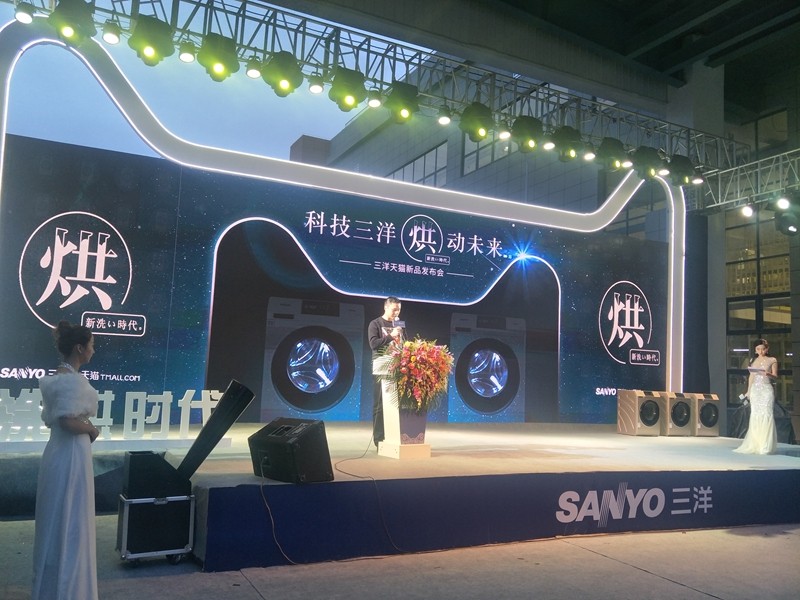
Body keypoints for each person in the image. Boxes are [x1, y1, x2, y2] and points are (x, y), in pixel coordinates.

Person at [32, 321, 100, 600]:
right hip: (70, 455)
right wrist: (92, 430)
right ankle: (68, 591)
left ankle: (59, 589)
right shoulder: (68, 380)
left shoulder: (61, 377)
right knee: (70, 520)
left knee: (62, 519)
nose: (93, 350)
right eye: (91, 345)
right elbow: (67, 421)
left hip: (63, 453)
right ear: (79, 348)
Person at [368, 297, 404, 447]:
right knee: (380, 404)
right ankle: (378, 439)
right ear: (386, 307)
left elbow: (404, 343)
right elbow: (373, 344)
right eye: (394, 309)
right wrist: (390, 336)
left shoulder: (399, 324)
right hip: (381, 366)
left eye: (399, 310)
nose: (396, 313)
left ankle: (393, 437)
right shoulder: (375, 323)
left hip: (397, 366)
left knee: (395, 403)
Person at [734, 338, 777, 455]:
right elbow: (751, 377)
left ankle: (765, 445)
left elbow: (775, 376)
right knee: (755, 415)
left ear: (767, 349)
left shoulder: (772, 360)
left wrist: (767, 373)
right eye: (758, 349)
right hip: (755, 391)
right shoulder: (753, 360)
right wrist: (748, 391)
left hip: (766, 390)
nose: (760, 351)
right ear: (755, 350)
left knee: (766, 414)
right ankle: (755, 444)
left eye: (763, 349)